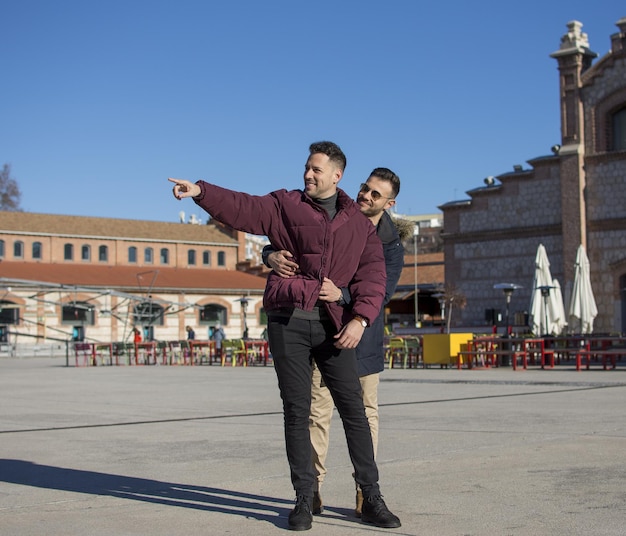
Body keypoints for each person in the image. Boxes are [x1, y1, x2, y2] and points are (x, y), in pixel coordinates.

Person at [169, 141, 401, 531]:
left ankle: (372, 496)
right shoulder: (284, 204)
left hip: (334, 325)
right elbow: (243, 207)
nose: (308, 174)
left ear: (335, 175)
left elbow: (374, 277)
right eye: (307, 167)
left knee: (354, 413)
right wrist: (202, 192)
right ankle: (304, 499)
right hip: (288, 320)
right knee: (297, 412)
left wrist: (358, 317)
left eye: (316, 169)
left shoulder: (360, 226)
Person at [265, 168, 405, 517]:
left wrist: (341, 295)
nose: (366, 196)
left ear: (389, 204)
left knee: (362, 413)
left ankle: (366, 493)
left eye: (376, 195)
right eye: (365, 188)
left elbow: (379, 291)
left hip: (362, 334)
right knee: (316, 412)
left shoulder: (391, 245)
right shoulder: (334, 217)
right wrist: (269, 254)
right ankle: (312, 491)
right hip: (324, 331)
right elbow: (293, 239)